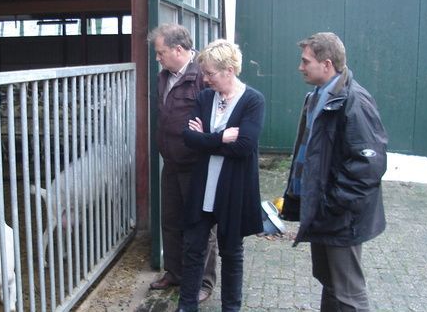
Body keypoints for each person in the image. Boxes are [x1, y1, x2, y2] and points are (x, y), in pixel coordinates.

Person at [281, 32, 388, 312]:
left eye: (305, 61)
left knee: (349, 294)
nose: (300, 67)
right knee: (330, 282)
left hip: (341, 217)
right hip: (324, 212)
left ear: (327, 64)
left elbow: (368, 166)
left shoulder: (355, 101)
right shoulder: (317, 96)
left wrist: (333, 203)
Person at [177, 39, 265, 312]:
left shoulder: (253, 100)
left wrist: (207, 140)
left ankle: (231, 307)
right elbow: (188, 138)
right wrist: (219, 138)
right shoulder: (205, 98)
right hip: (204, 187)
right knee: (193, 248)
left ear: (229, 70)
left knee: (231, 252)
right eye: (204, 73)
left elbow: (244, 146)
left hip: (232, 190)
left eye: (210, 73)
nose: (205, 79)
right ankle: (186, 305)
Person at [147, 24, 217, 303]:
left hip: (195, 164)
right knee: (171, 220)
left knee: (200, 224)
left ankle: (204, 282)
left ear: (178, 49)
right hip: (171, 162)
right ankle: (174, 272)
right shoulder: (164, 76)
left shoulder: (203, 75)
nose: (157, 58)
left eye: (161, 52)